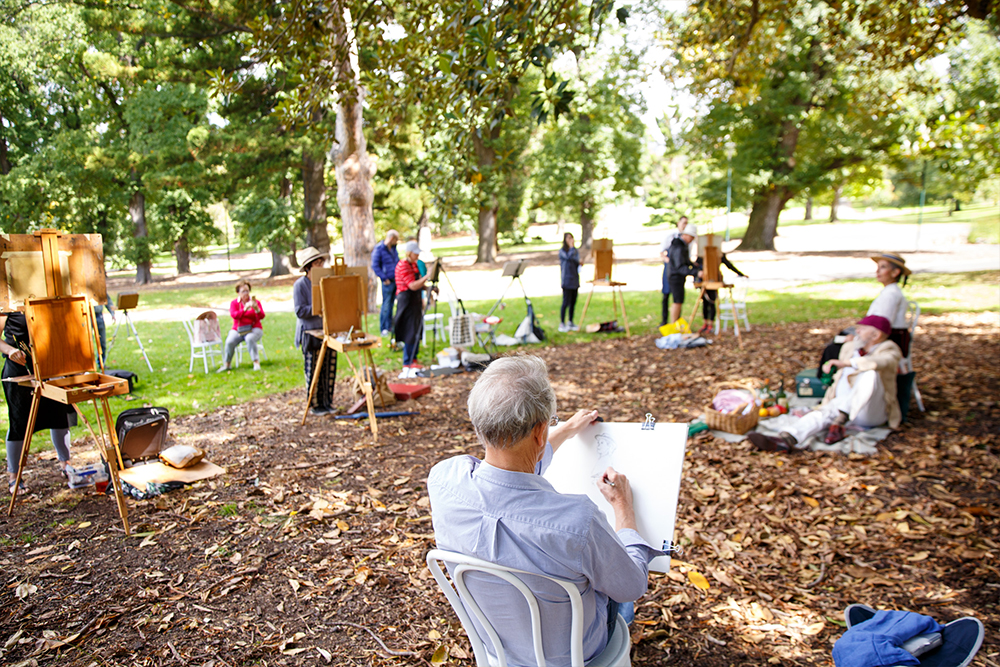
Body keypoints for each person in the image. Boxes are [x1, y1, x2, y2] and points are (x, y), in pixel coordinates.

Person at [428, 355, 662, 665]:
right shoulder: (577, 522)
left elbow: (506, 471)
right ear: (540, 433)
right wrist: (623, 507)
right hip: (573, 656)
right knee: (617, 587)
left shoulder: (443, 480)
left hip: (498, 646)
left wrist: (564, 430)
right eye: (549, 425)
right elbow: (632, 586)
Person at [749, 315, 902, 450]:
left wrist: (847, 363)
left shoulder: (889, 349)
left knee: (870, 373)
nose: (857, 331)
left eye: (862, 328)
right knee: (821, 413)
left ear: (876, 334)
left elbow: (880, 362)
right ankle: (786, 439)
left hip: (869, 412)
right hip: (841, 405)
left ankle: (840, 419)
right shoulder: (851, 348)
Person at [1, 312, 77, 494]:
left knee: (59, 416)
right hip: (19, 370)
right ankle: (14, 476)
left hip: (50, 367)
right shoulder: (7, 303)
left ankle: (65, 464)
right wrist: (10, 351)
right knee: (19, 422)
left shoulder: (48, 300)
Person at [293, 247, 337, 416]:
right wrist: (318, 308)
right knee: (313, 371)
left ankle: (327, 402)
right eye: (317, 263)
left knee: (328, 368)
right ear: (309, 267)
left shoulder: (326, 282)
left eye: (321, 262)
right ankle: (315, 405)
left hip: (327, 330)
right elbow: (300, 311)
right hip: (310, 333)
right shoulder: (300, 285)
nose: (320, 266)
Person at [394, 240, 429, 373]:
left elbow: (417, 283)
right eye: (415, 253)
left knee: (416, 329)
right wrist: (426, 277)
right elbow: (412, 285)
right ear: (409, 253)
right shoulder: (403, 265)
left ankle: (413, 358)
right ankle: (407, 361)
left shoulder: (413, 264)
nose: (417, 255)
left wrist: (427, 288)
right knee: (409, 330)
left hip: (415, 300)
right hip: (406, 300)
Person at [867, 253, 912, 357]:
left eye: (883, 267)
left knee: (836, 348)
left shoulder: (891, 294)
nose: (877, 271)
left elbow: (883, 324)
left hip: (890, 340)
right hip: (881, 336)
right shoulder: (889, 291)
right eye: (878, 267)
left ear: (895, 272)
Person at [218, 280, 265, 372]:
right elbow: (234, 315)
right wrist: (244, 309)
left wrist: (256, 309)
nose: (246, 293)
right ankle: (227, 364)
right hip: (238, 329)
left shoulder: (255, 302)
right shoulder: (234, 303)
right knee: (230, 341)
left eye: (247, 291)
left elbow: (262, 316)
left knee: (250, 338)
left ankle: (256, 362)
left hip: (254, 328)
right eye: (243, 291)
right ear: (238, 293)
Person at [697, 253, 746, 335]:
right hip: (704, 281)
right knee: (705, 303)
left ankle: (711, 324)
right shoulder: (702, 254)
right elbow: (696, 265)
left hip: (714, 279)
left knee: (712, 302)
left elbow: (729, 265)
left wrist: (740, 274)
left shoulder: (718, 254)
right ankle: (705, 323)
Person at [662, 224, 700, 325]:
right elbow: (679, 266)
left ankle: (676, 323)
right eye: (691, 237)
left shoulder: (682, 245)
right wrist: (696, 273)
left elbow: (684, 261)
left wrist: (693, 265)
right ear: (686, 235)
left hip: (678, 276)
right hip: (675, 276)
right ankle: (674, 324)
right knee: (677, 301)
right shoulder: (678, 246)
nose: (692, 240)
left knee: (679, 300)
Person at [659, 216, 689, 326]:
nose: (685, 225)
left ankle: (676, 321)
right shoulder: (671, 236)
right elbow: (662, 252)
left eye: (686, 223)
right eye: (683, 223)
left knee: (678, 296)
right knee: (666, 294)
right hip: (671, 268)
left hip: (680, 268)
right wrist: (670, 262)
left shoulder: (687, 238)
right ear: (678, 223)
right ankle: (664, 320)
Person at [371, 230, 400, 337]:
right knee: (386, 305)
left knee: (391, 304)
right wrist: (383, 278)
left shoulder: (393, 249)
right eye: (396, 239)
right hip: (387, 282)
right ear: (392, 238)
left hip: (395, 279)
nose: (396, 242)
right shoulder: (379, 249)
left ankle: (389, 326)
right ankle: (383, 328)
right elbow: (375, 266)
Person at [558, 232, 583, 332]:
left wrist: (580, 263)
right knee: (565, 302)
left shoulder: (575, 251)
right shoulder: (562, 251)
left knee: (573, 302)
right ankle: (562, 323)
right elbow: (568, 258)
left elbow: (576, 262)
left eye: (571, 238)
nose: (571, 240)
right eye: (568, 238)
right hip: (567, 280)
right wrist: (572, 248)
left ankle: (570, 321)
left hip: (574, 279)